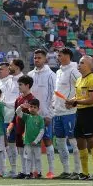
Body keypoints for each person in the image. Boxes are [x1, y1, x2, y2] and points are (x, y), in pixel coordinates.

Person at [67, 55, 93, 181]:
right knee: (80, 142)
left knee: (92, 141)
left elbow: (92, 100)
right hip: (79, 113)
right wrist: (70, 101)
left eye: (81, 63)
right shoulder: (79, 80)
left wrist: (76, 102)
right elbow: (78, 98)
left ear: (89, 65)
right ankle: (85, 173)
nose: (79, 65)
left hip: (89, 113)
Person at [51, 47, 82, 180]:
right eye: (58, 55)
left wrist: (74, 101)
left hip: (70, 112)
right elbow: (57, 90)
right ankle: (66, 170)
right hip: (57, 112)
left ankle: (78, 170)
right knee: (59, 142)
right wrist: (53, 104)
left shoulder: (74, 71)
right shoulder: (58, 72)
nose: (58, 57)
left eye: (60, 55)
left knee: (74, 142)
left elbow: (82, 86)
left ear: (68, 56)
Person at [28, 49, 57, 178]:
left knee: (47, 141)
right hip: (32, 115)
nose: (37, 60)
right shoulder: (29, 75)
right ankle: (36, 170)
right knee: (33, 142)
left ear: (45, 59)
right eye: (35, 58)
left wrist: (49, 114)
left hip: (45, 115)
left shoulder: (51, 75)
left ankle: (51, 170)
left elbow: (54, 96)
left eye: (39, 58)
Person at [18, 100, 45, 178]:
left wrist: (36, 141)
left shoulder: (40, 119)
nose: (32, 108)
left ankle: (38, 173)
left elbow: (42, 131)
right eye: (31, 107)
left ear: (38, 109)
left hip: (37, 143)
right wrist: (21, 106)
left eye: (35, 107)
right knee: (28, 158)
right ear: (28, 108)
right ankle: (28, 173)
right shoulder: (27, 116)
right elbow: (18, 112)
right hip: (27, 142)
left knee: (38, 158)